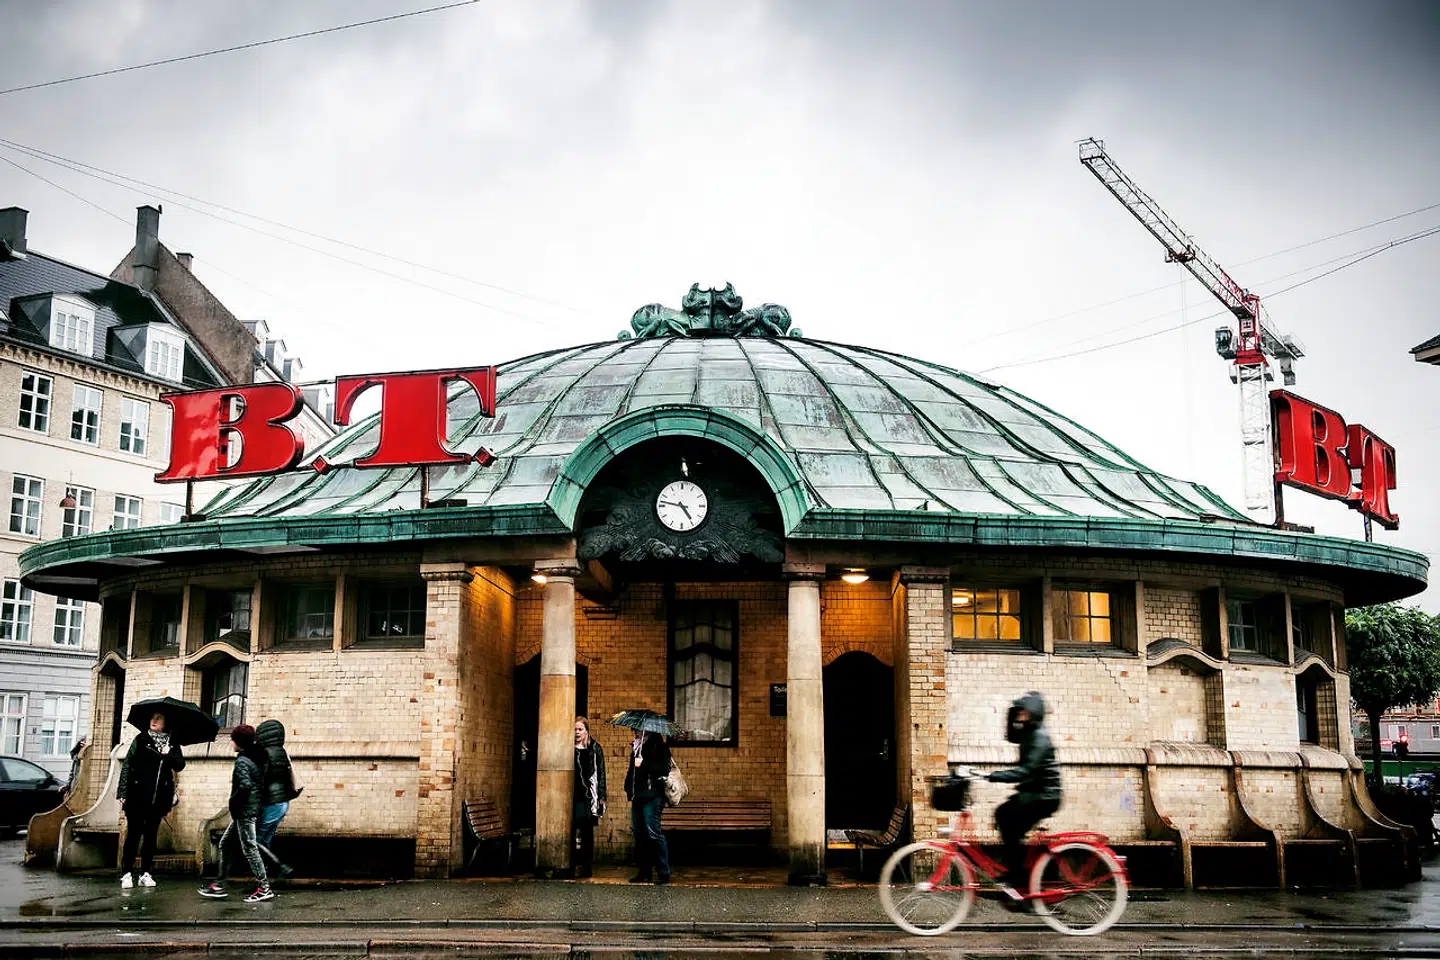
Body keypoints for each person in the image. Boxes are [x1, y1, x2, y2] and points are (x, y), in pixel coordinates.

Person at [986, 691, 1061, 899]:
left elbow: (1026, 771)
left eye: (1024, 712)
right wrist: (1012, 716)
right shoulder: (1029, 733)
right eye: (1019, 712)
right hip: (1035, 794)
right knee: (1006, 818)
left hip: (1044, 796)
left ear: (1034, 713)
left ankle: (1017, 877)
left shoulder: (1040, 738)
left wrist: (993, 776)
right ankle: (1021, 875)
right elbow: (1011, 736)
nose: (1020, 715)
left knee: (1005, 816)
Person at [199, 724, 273, 902]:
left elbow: (245, 786)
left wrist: (233, 802)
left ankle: (264, 888)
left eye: (233, 740)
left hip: (245, 811)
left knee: (249, 848)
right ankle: (219, 884)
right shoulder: (258, 757)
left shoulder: (243, 761)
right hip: (251, 809)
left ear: (240, 742)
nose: (231, 743)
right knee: (225, 844)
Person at [117, 714, 185, 890]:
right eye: (152, 718)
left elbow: (179, 765)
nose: (154, 721)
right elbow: (128, 765)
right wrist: (122, 791)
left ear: (165, 723)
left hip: (159, 798)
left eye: (159, 718)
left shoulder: (172, 742)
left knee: (150, 837)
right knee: (133, 835)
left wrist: (168, 754)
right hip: (137, 795)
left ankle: (145, 873)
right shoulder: (141, 739)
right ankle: (126, 873)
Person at [623, 729, 671, 885]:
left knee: (654, 834)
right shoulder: (636, 746)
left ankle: (663, 873)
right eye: (634, 729)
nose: (635, 731)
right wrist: (628, 786)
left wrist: (643, 764)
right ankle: (644, 872)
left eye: (638, 729)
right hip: (637, 796)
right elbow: (632, 771)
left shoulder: (659, 746)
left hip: (652, 796)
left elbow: (664, 769)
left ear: (648, 729)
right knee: (640, 835)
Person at [255, 719, 301, 879]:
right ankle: (266, 877)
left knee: (254, 841)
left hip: (271, 803)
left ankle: (279, 866)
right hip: (282, 802)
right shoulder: (281, 752)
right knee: (264, 840)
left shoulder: (265, 754)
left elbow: (262, 781)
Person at [572, 717, 607, 878]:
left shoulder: (594, 748)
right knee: (573, 831)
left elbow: (601, 774)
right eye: (575, 729)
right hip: (573, 795)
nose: (577, 732)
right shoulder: (568, 748)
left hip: (588, 797)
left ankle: (586, 867)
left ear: (586, 731)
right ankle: (573, 865)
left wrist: (602, 796)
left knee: (587, 832)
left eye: (580, 729)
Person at [61, 737, 87, 803]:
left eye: (84, 745)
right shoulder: (76, 759)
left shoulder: (88, 760)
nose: (82, 748)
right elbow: (72, 774)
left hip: (83, 791)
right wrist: (67, 786)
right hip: (74, 788)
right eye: (81, 745)